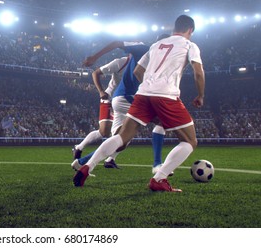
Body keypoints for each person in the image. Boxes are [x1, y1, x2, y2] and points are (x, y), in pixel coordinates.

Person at [73, 15, 205, 192]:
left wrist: (149, 86)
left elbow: (137, 71)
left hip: (142, 94)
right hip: (166, 95)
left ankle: (88, 166)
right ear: (190, 30)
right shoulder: (190, 45)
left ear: (175, 28)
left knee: (121, 137)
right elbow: (198, 73)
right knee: (190, 140)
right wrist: (200, 95)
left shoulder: (155, 45)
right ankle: (159, 177)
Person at [72, 36, 170, 174]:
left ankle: (82, 162)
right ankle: (158, 165)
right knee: (160, 122)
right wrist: (94, 57)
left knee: (121, 140)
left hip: (124, 98)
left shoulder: (160, 60)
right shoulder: (142, 50)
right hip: (125, 97)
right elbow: (117, 44)